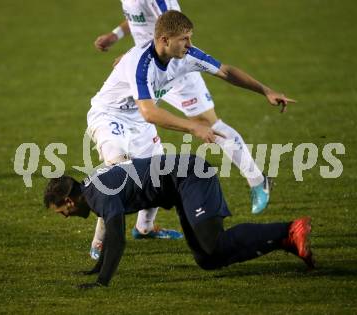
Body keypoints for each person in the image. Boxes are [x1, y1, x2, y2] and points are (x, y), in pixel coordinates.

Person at [87, 10, 295, 259]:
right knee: (118, 172)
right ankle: (100, 243)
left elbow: (226, 71)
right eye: (184, 39)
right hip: (110, 116)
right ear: (164, 40)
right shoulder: (140, 63)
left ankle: (144, 228)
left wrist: (266, 90)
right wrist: (193, 126)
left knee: (154, 174)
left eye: (190, 37)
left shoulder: (185, 56)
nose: (190, 44)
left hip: (138, 120)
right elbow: (150, 113)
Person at [43, 154, 314, 288]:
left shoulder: (99, 195)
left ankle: (289, 229)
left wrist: (101, 281)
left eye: (60, 212)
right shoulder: (93, 189)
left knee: (214, 242)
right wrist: (95, 269)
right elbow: (112, 238)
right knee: (208, 259)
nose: (65, 217)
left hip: (191, 176)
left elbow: (117, 240)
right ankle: (285, 240)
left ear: (68, 201)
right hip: (180, 184)